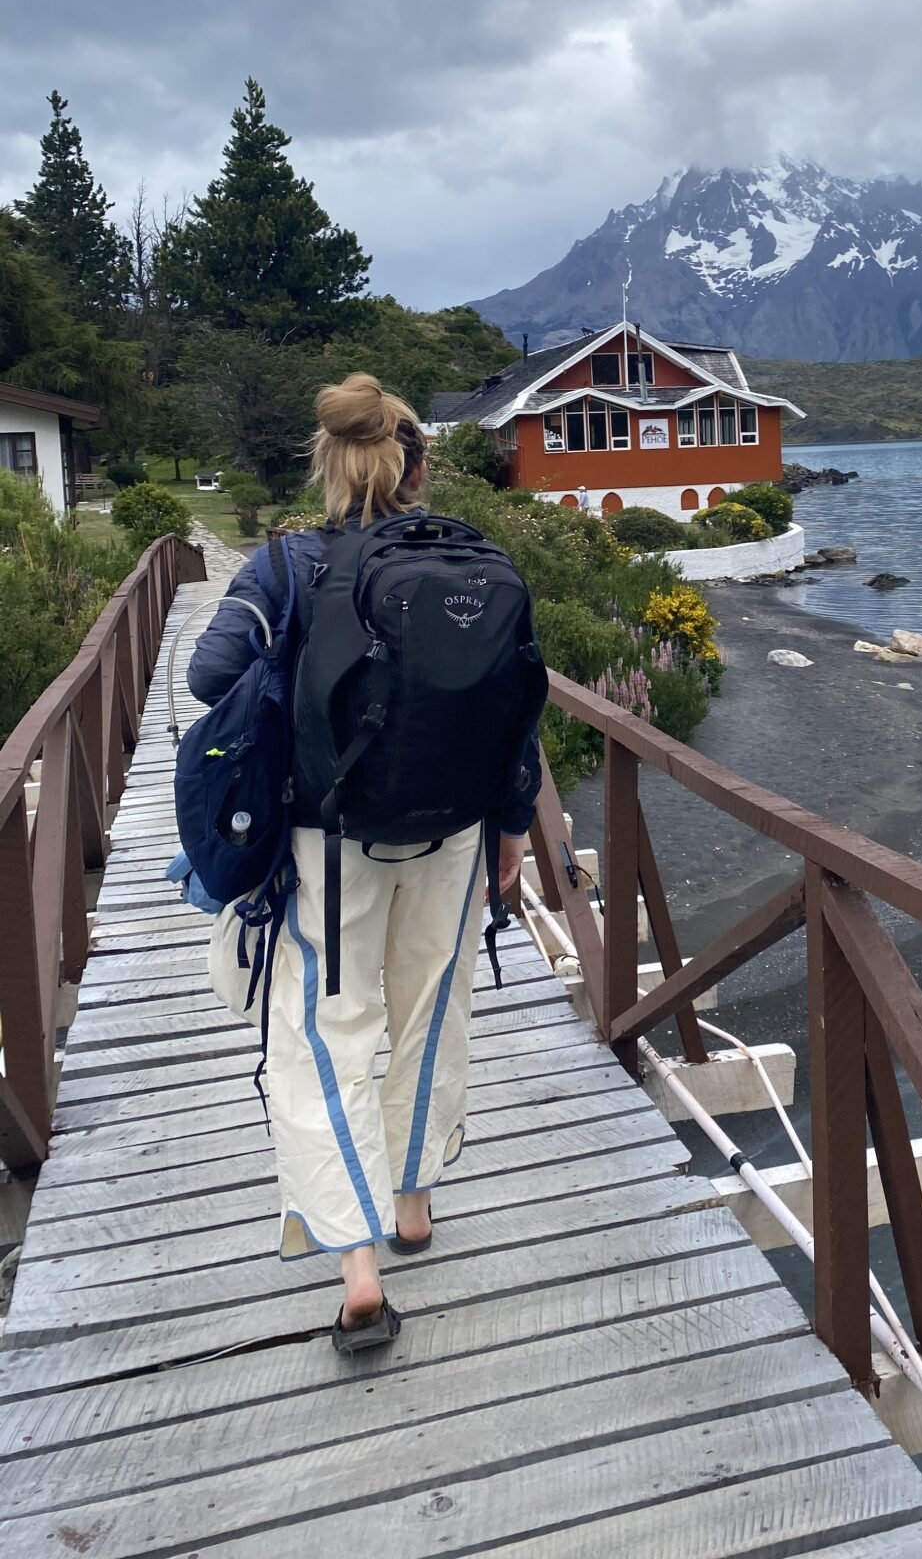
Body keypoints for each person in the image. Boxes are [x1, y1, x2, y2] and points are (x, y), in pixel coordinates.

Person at [188, 374, 547, 1349]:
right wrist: (514, 830)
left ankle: (357, 1265)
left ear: (328, 463)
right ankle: (416, 1201)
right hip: (457, 835)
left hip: (327, 840)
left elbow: (207, 674)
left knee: (325, 1035)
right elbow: (522, 701)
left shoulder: (288, 565)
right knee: (432, 1017)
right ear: (418, 467)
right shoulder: (480, 561)